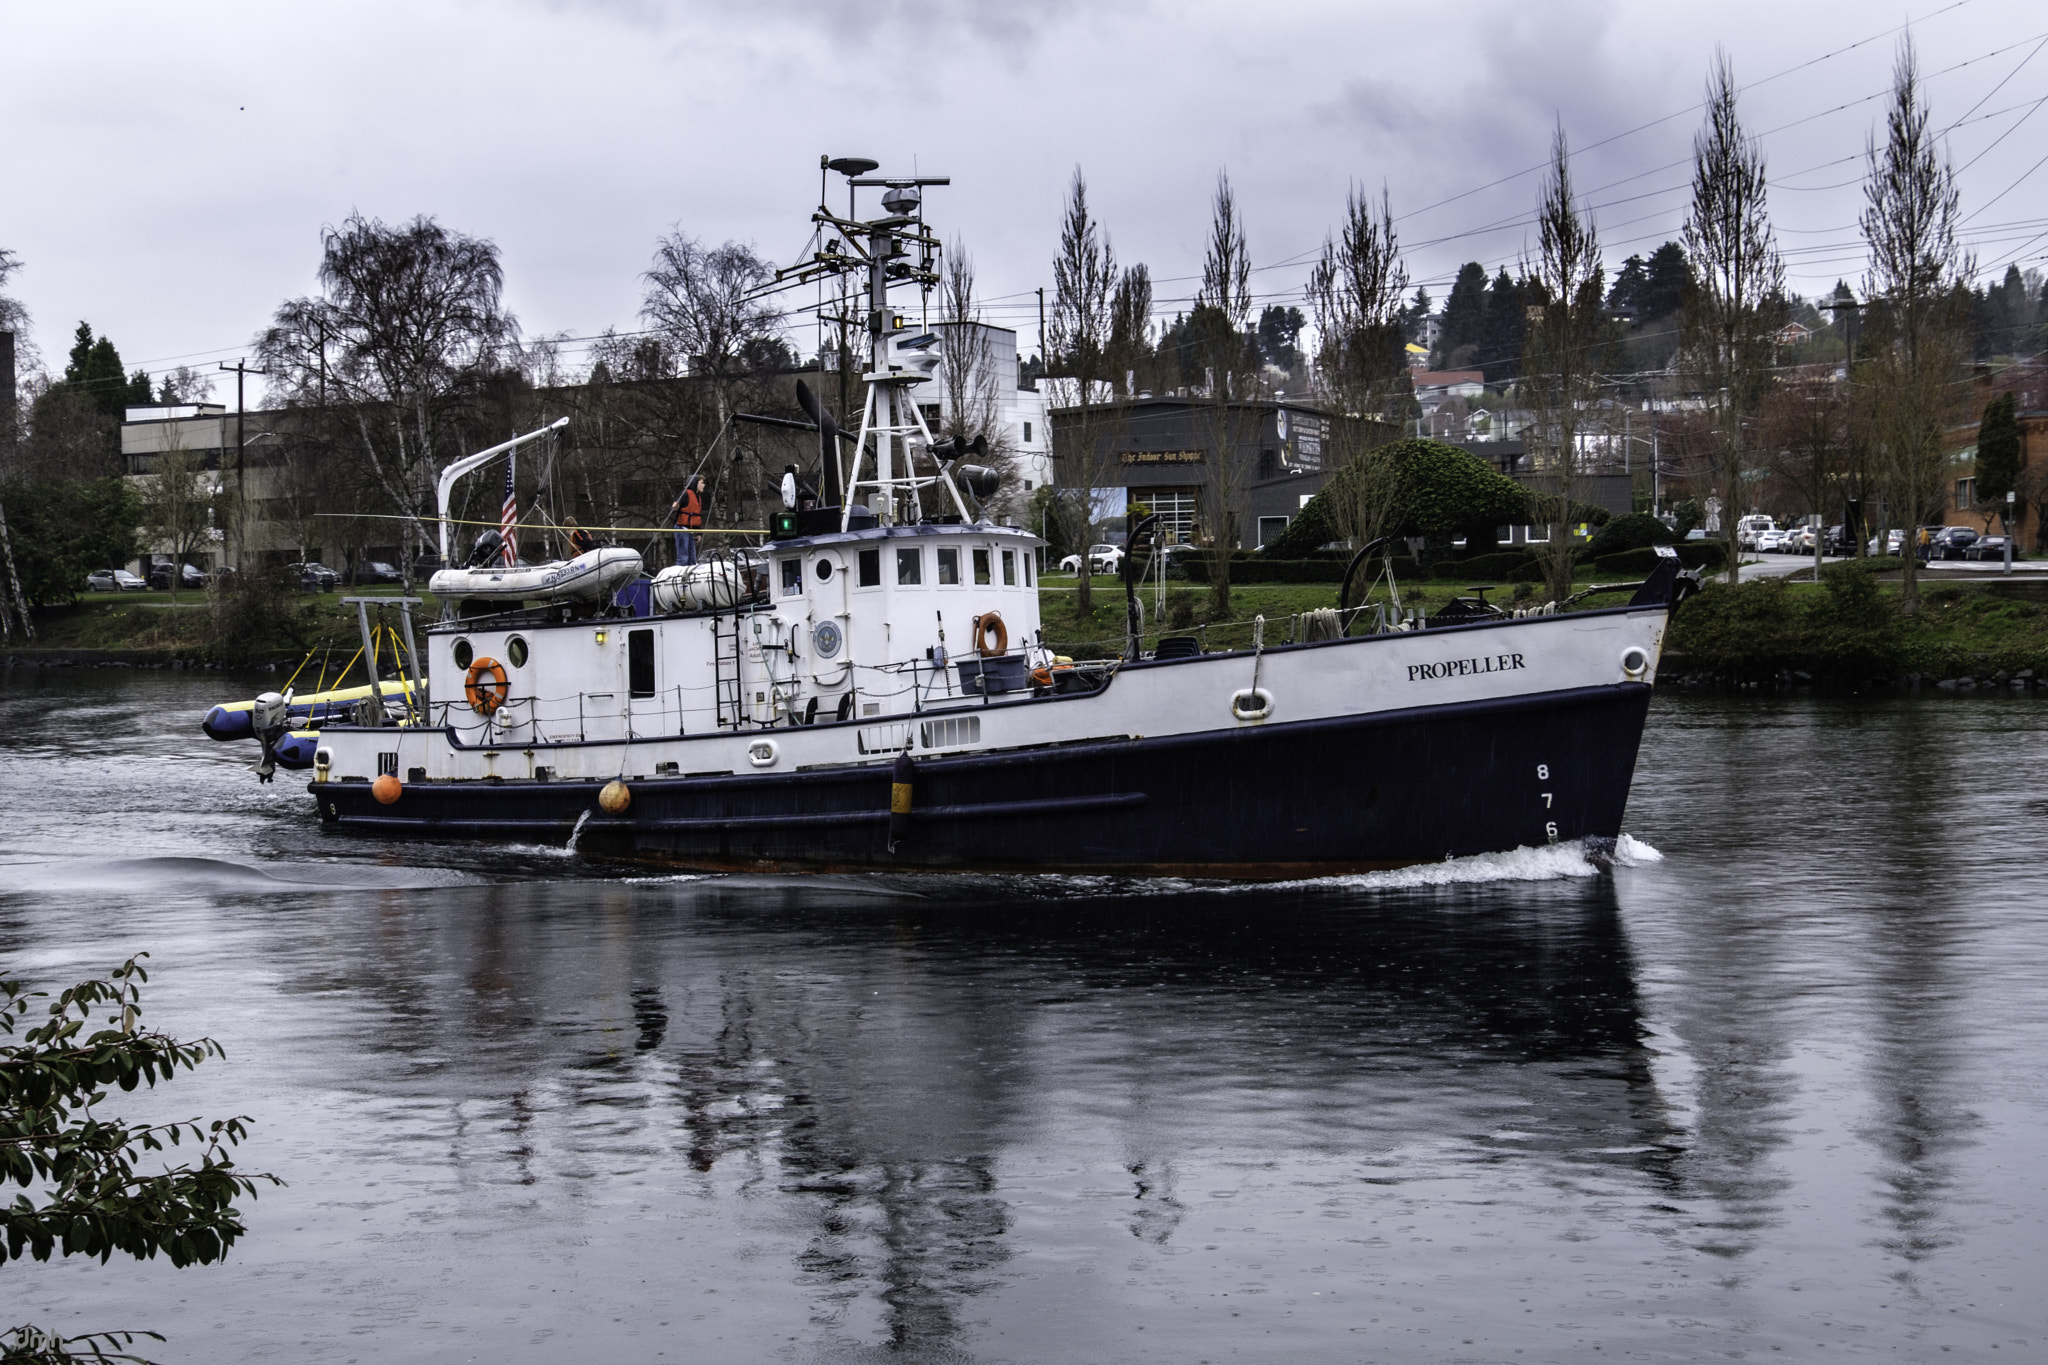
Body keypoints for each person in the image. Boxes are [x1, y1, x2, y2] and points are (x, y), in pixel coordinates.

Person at [670, 475, 705, 567]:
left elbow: (696, 517)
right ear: (695, 483)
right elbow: (675, 507)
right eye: (701, 483)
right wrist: (675, 507)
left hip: (690, 530)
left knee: (692, 559)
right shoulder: (685, 494)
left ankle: (691, 579)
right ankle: (679, 577)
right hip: (681, 528)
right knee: (683, 558)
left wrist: (699, 533)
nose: (704, 485)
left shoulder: (698, 498)